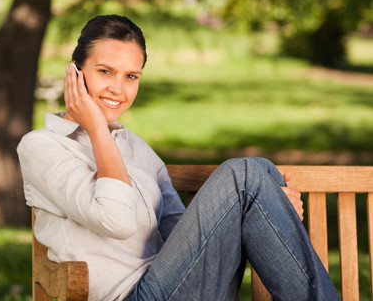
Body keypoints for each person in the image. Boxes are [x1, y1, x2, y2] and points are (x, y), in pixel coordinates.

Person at [17, 15, 340, 301]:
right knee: (243, 174)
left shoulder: (138, 150)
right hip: (127, 296)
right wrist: (97, 129)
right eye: (105, 71)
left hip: (177, 286)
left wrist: (269, 209)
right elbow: (115, 219)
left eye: (131, 76)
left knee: (258, 170)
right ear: (75, 73)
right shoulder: (42, 147)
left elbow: (185, 239)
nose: (118, 88)